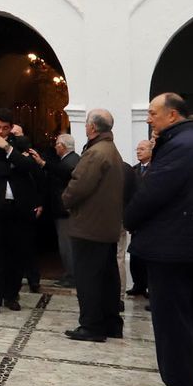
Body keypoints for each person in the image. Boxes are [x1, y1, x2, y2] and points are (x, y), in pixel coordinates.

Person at [125, 93, 193, 386]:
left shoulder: (181, 146)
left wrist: (128, 218)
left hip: (173, 249)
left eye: (153, 113)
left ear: (173, 115)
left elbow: (153, 192)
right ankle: (185, 384)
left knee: (173, 324)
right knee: (184, 319)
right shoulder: (189, 142)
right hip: (182, 246)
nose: (149, 118)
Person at [62, 109, 126, 343]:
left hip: (90, 226)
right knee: (107, 277)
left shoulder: (96, 153)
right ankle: (111, 323)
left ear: (93, 128)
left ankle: (91, 325)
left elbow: (78, 185)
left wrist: (65, 200)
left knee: (89, 277)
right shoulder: (111, 149)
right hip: (106, 225)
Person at [0, 110, 43, 313]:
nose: (0, 131)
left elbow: (30, 166)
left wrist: (9, 151)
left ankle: (11, 295)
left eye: (5, 128)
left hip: (18, 207)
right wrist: (11, 166)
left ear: (11, 127)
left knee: (16, 253)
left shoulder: (19, 143)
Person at [45, 133, 81, 288]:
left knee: (67, 245)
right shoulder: (70, 160)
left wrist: (43, 164)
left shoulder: (70, 161)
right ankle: (70, 273)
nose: (55, 147)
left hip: (65, 211)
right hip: (63, 210)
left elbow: (61, 174)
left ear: (63, 146)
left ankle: (72, 275)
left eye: (57, 144)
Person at [126, 139, 153, 297]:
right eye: (137, 149)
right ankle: (139, 284)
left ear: (150, 151)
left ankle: (149, 286)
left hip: (149, 219)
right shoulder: (133, 170)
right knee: (135, 253)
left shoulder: (155, 169)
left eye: (142, 149)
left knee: (148, 254)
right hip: (137, 218)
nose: (138, 151)